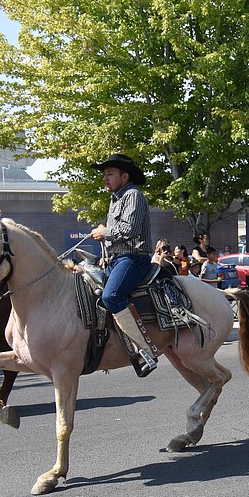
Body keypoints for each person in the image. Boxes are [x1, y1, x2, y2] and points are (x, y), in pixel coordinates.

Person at [89, 153, 159, 376]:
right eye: (104, 174)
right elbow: (116, 237)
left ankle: (144, 350)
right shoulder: (115, 199)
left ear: (124, 176)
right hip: (117, 260)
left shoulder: (133, 196)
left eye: (109, 174)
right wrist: (106, 254)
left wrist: (104, 232)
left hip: (134, 259)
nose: (105, 178)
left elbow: (129, 230)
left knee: (111, 297)